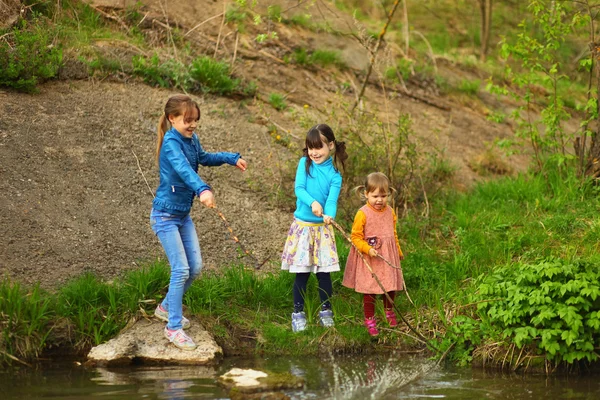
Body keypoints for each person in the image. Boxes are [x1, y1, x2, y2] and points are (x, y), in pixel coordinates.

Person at [150, 94, 247, 350]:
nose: (192, 125)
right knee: (180, 269)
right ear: (172, 118)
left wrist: (230, 157)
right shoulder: (171, 143)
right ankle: (173, 327)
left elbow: (202, 158)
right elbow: (184, 170)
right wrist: (202, 189)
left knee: (195, 267)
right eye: (187, 120)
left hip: (182, 215)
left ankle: (165, 307)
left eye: (195, 121)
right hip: (165, 216)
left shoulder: (191, 140)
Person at [281, 123, 348, 332]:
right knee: (301, 274)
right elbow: (299, 189)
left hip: (322, 230)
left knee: (323, 274)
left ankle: (326, 311)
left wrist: (329, 215)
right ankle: (298, 313)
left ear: (330, 145)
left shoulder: (335, 175)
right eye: (310, 147)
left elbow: (332, 201)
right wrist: (312, 203)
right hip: (303, 228)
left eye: (318, 147)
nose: (314, 152)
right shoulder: (305, 164)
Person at [342, 172, 405, 337]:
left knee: (390, 286)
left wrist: (397, 250)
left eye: (384, 196)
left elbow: (393, 233)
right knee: (370, 290)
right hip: (370, 258)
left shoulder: (390, 211)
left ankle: (388, 310)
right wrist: (367, 249)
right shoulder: (362, 213)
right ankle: (369, 319)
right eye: (375, 196)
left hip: (387, 257)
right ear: (366, 194)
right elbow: (355, 237)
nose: (380, 200)